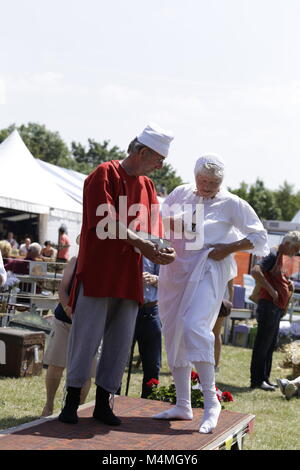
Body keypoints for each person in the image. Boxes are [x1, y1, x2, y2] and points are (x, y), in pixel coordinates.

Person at [58, 123, 176, 426]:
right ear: (142, 151)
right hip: (98, 272)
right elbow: (106, 223)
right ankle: (71, 402)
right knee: (86, 339)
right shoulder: (104, 173)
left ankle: (103, 404)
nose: (161, 165)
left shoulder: (148, 187)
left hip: (130, 275)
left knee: (120, 342)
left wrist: (164, 250)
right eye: (159, 158)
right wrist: (145, 245)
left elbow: (153, 231)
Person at [154, 154, 269, 434]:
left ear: (221, 181)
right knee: (173, 330)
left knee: (195, 325)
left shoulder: (232, 203)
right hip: (175, 269)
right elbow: (162, 222)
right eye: (203, 180)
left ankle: (211, 401)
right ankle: (183, 404)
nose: (207, 186)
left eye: (213, 182)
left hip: (208, 268)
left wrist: (227, 248)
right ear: (195, 176)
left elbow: (259, 237)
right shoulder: (180, 192)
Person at [41, 249, 97, 417]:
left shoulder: (106, 263)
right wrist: (68, 309)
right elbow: (62, 289)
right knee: (56, 364)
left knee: (86, 370)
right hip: (65, 319)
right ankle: (49, 405)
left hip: (91, 323)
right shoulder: (75, 260)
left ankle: (76, 409)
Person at [250, 231, 300, 391]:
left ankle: (265, 378)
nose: (296, 253)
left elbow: (276, 276)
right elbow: (255, 271)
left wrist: (287, 283)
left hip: (275, 308)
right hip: (268, 306)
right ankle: (257, 380)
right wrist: (272, 291)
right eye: (296, 249)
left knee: (270, 344)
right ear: (287, 244)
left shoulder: (279, 256)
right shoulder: (271, 254)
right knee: (262, 344)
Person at [134, 258, 161, 398]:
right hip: (127, 309)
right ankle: (112, 401)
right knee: (117, 361)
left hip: (150, 310)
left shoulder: (157, 247)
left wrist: (153, 278)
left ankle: (149, 401)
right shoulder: (125, 244)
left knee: (152, 364)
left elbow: (169, 281)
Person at [213, 279, 234, 372]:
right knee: (216, 333)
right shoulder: (229, 265)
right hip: (223, 301)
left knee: (212, 333)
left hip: (213, 299)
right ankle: (215, 365)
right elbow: (231, 288)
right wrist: (230, 304)